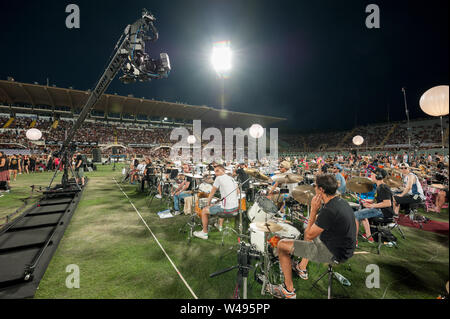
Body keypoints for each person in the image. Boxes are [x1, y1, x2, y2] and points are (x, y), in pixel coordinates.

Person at [266, 174, 356, 299]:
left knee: (282, 245)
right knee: (311, 231)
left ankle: (288, 290)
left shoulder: (329, 210)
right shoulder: (341, 202)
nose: (314, 188)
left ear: (321, 190)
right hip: (346, 248)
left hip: (334, 253)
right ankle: (301, 268)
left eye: (316, 186)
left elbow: (308, 235)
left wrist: (313, 211)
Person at [193, 164, 239, 240]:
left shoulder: (219, 178)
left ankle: (204, 233)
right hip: (235, 208)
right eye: (215, 172)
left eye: (217, 171)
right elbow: (237, 192)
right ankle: (219, 225)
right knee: (220, 204)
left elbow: (211, 193)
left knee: (204, 210)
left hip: (227, 209)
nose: (216, 173)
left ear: (223, 170)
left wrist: (208, 205)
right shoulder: (232, 179)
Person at [354, 168, 394, 245]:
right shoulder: (379, 187)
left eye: (372, 174)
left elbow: (388, 203)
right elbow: (377, 200)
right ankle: (369, 236)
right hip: (381, 210)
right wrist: (366, 201)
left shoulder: (383, 188)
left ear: (378, 176)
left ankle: (353, 241)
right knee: (362, 213)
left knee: (355, 215)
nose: (371, 176)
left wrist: (372, 205)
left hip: (384, 212)